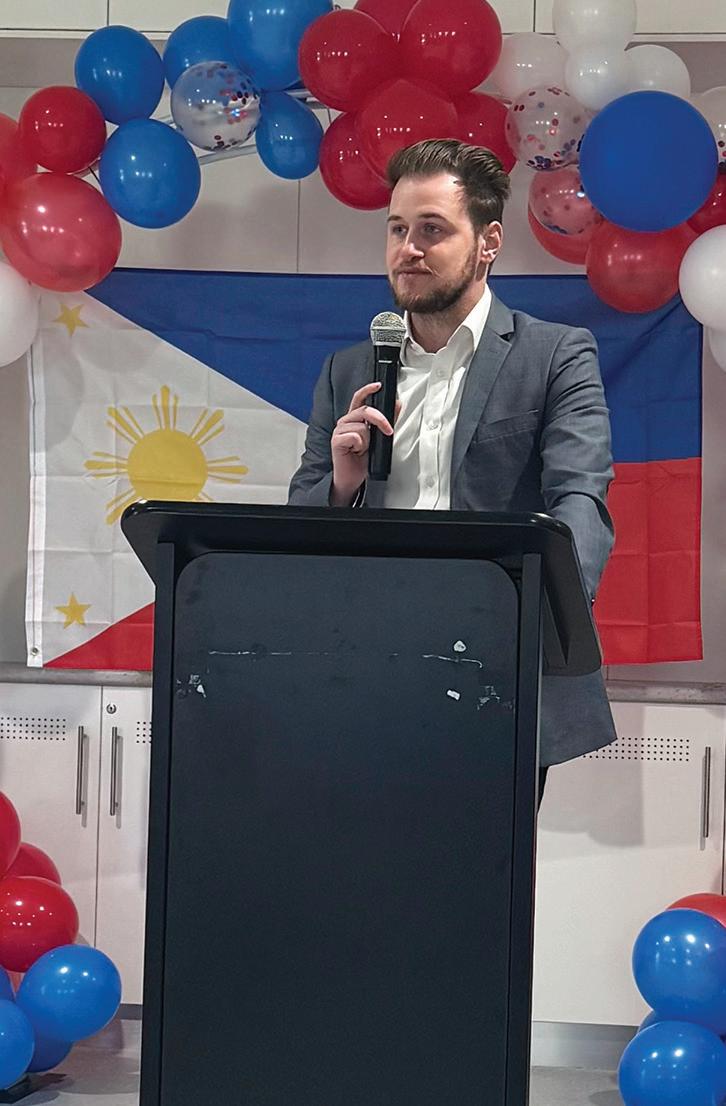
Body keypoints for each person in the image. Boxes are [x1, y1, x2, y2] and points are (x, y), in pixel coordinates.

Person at [288, 138, 617, 803]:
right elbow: (299, 523)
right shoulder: (348, 371)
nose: (408, 248)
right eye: (397, 229)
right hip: (368, 673)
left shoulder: (554, 356)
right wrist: (345, 484)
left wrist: (544, 613)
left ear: (488, 242)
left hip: (501, 664)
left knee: (485, 863)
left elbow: (580, 500)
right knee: (365, 855)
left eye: (432, 230)